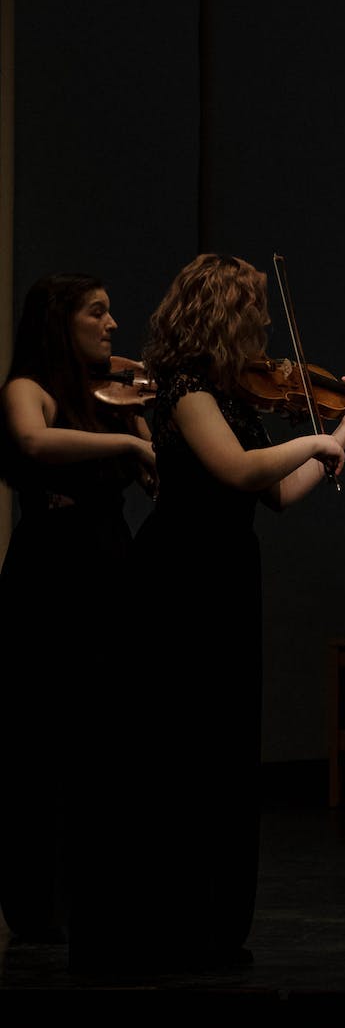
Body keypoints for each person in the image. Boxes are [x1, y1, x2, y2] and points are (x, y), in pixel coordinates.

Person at [69, 254, 345, 971]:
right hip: (178, 577)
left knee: (225, 749)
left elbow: (279, 491)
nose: (266, 323)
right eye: (255, 311)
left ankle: (211, 923)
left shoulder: (234, 395)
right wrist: (313, 437)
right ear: (224, 315)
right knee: (178, 748)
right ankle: (163, 925)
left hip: (228, 574)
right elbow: (236, 469)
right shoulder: (184, 389)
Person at [0, 274, 154, 943]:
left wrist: (138, 410)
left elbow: (155, 463)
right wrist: (125, 442)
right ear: (61, 322)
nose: (113, 324)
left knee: (107, 736)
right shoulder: (28, 388)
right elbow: (33, 443)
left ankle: (101, 895)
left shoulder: (110, 395)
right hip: (50, 572)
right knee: (42, 736)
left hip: (109, 565)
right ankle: (38, 901)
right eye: (98, 312)